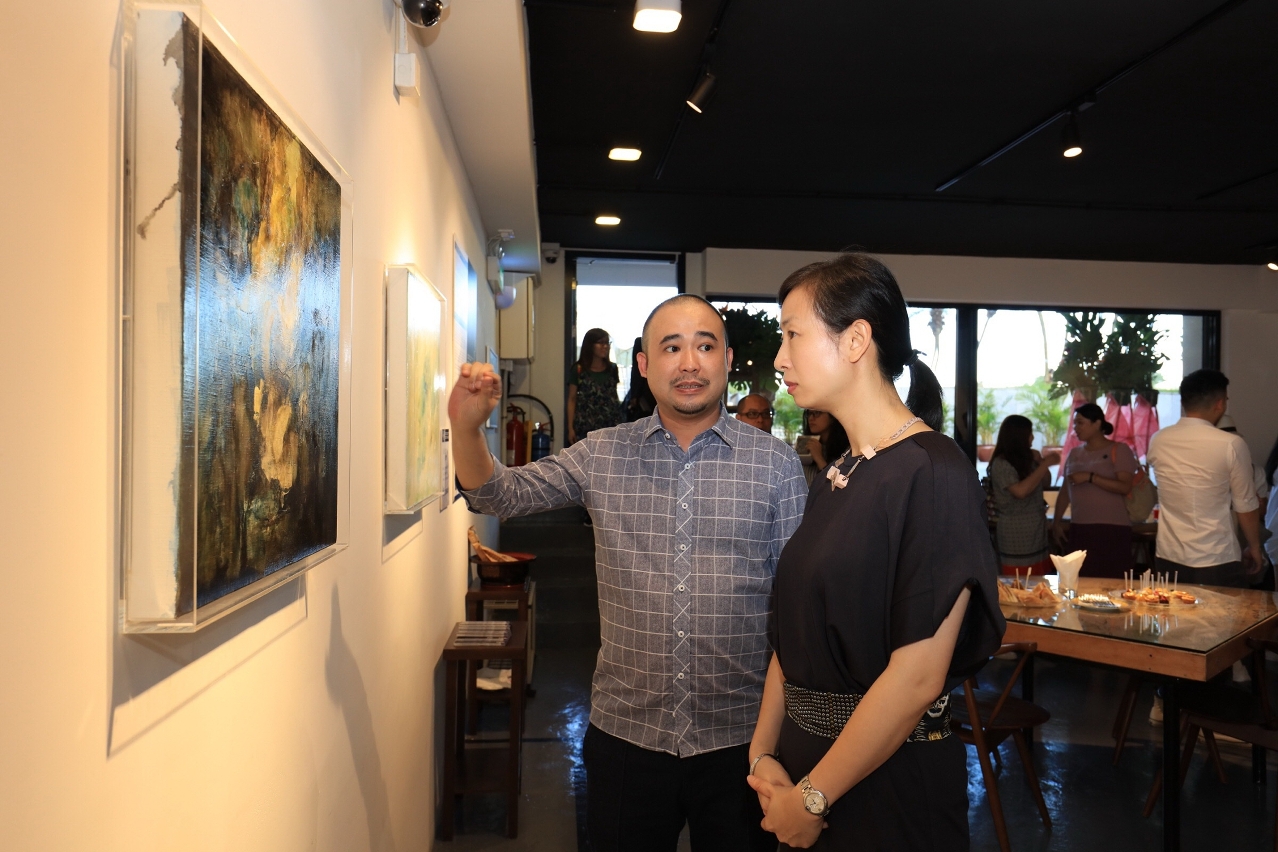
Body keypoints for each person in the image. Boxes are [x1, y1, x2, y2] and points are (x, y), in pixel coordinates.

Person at [449, 294, 807, 852]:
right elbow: (497, 493)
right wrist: (468, 430)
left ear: (728, 359)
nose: (689, 363)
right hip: (626, 739)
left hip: (742, 743)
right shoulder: (602, 454)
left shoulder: (777, 466)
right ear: (643, 364)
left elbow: (799, 610)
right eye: (671, 347)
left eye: (705, 346)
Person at [746, 253, 1005, 851]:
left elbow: (917, 677)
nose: (780, 358)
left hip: (882, 785)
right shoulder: (839, 472)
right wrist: (763, 755)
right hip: (801, 773)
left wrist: (813, 797)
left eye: (793, 335)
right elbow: (793, 631)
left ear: (857, 339)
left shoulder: (934, 471)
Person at [1147, 369, 1262, 587]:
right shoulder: (1231, 444)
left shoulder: (1158, 440)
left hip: (1169, 555)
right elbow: (1245, 504)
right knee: (1222, 620)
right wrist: (1254, 547)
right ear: (1219, 403)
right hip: (1216, 557)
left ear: (1184, 401)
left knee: (1173, 618)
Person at [1050, 403, 1138, 579]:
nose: (1076, 428)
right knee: (1079, 579)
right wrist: (1057, 522)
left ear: (1097, 423)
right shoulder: (1074, 453)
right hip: (1080, 527)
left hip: (1112, 528)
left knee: (1113, 580)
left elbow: (1125, 486)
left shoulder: (1118, 450)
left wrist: (1091, 477)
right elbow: (1065, 492)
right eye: (1075, 423)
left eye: (1080, 423)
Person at [988, 415, 1060, 575]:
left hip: (1036, 530)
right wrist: (1047, 464)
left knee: (1040, 580)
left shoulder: (1028, 458)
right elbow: (1020, 491)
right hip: (1015, 533)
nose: (1033, 437)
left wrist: (1040, 462)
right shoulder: (1001, 463)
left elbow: (1046, 482)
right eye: (1030, 433)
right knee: (1018, 582)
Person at [567, 328, 620, 444]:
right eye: (600, 343)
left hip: (609, 428)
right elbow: (572, 399)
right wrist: (570, 428)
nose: (605, 346)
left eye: (607, 343)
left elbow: (613, 397)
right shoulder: (579, 370)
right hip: (585, 428)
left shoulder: (612, 369)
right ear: (590, 345)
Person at [795, 409, 850, 487]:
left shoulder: (846, 450)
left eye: (817, 413)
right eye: (809, 414)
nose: (811, 418)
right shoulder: (805, 444)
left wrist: (819, 459)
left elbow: (841, 486)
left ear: (832, 417)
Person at [621, 335, 656, 422]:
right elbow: (636, 371)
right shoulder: (641, 343)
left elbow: (636, 371)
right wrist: (635, 395)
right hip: (646, 394)